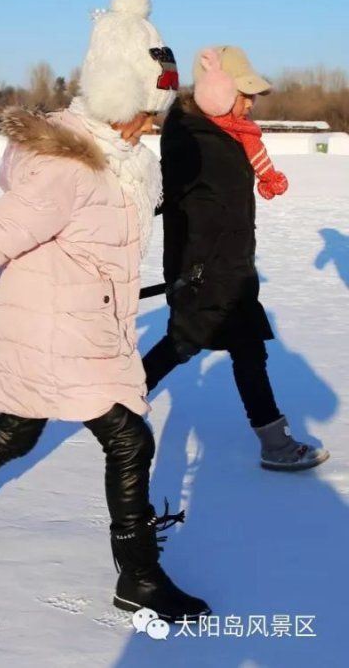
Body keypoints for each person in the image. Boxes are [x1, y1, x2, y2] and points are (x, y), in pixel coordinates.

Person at [0, 0, 210, 621]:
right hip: (61, 328)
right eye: (146, 109)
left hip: (78, 318)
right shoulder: (70, 166)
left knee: (17, 431)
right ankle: (138, 577)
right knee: (129, 441)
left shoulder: (121, 156)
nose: (152, 123)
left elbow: (111, 227)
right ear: (116, 98)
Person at [141, 46, 329, 471]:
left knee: (242, 349)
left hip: (229, 268)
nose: (251, 103)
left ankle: (275, 443)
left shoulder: (227, 135)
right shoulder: (192, 138)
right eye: (245, 93)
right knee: (184, 344)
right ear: (217, 92)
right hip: (205, 271)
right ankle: (117, 408)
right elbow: (160, 193)